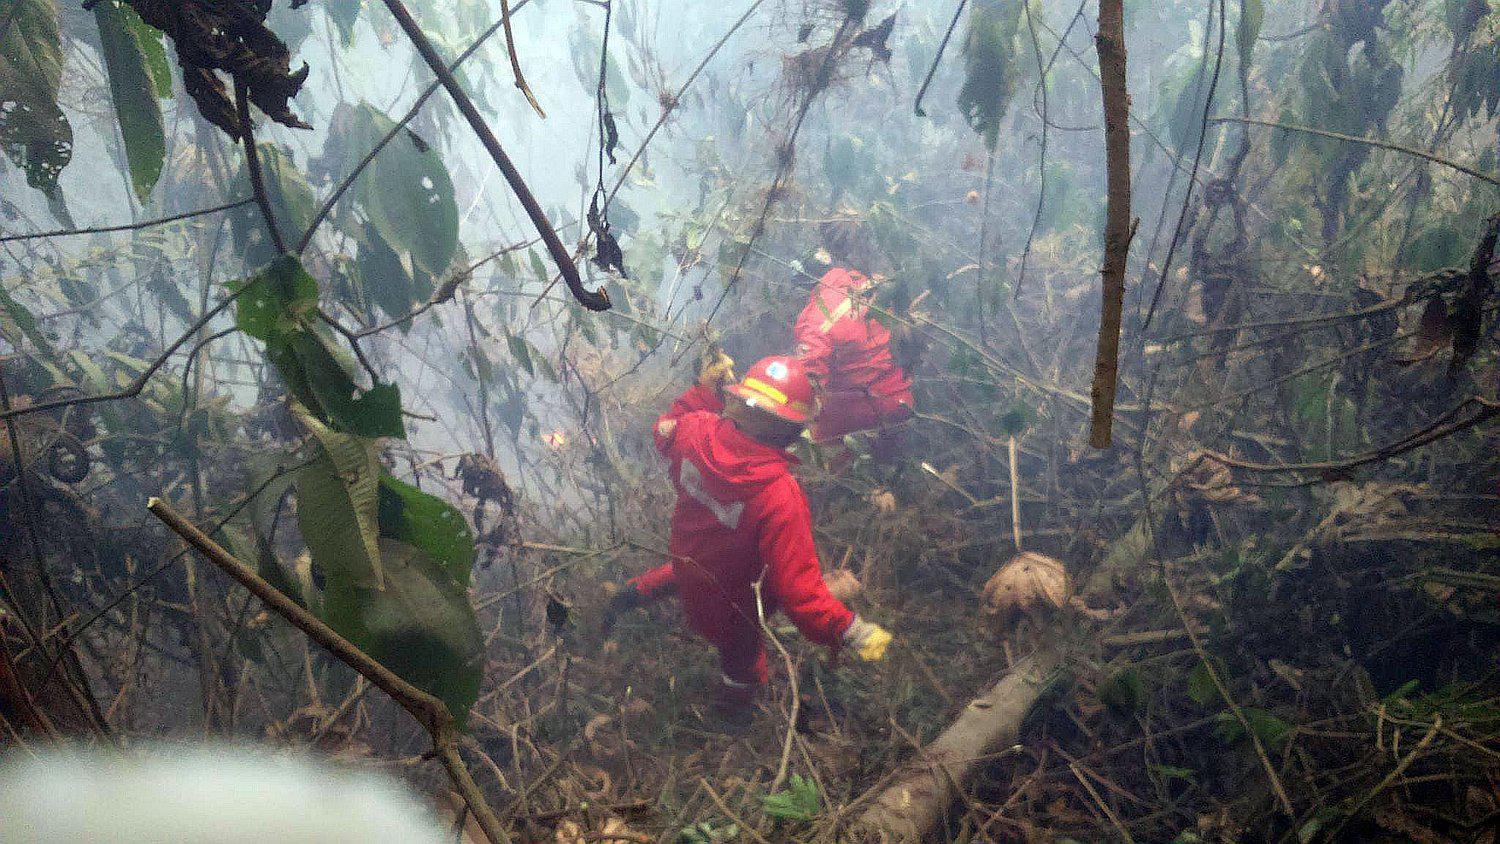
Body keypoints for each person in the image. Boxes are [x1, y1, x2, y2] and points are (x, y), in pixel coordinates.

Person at [603, 352, 892, 719]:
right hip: (733, 608)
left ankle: (626, 595)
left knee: (686, 571)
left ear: (738, 403)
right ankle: (728, 719)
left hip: (689, 564)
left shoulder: (695, 430)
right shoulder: (779, 496)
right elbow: (799, 594)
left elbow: (665, 428)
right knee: (744, 666)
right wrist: (853, 631)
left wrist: (702, 394)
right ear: (790, 429)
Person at [793, 266, 914, 453]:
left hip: (856, 411)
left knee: (808, 449)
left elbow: (810, 377)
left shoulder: (818, 318)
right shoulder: (868, 285)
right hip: (902, 399)